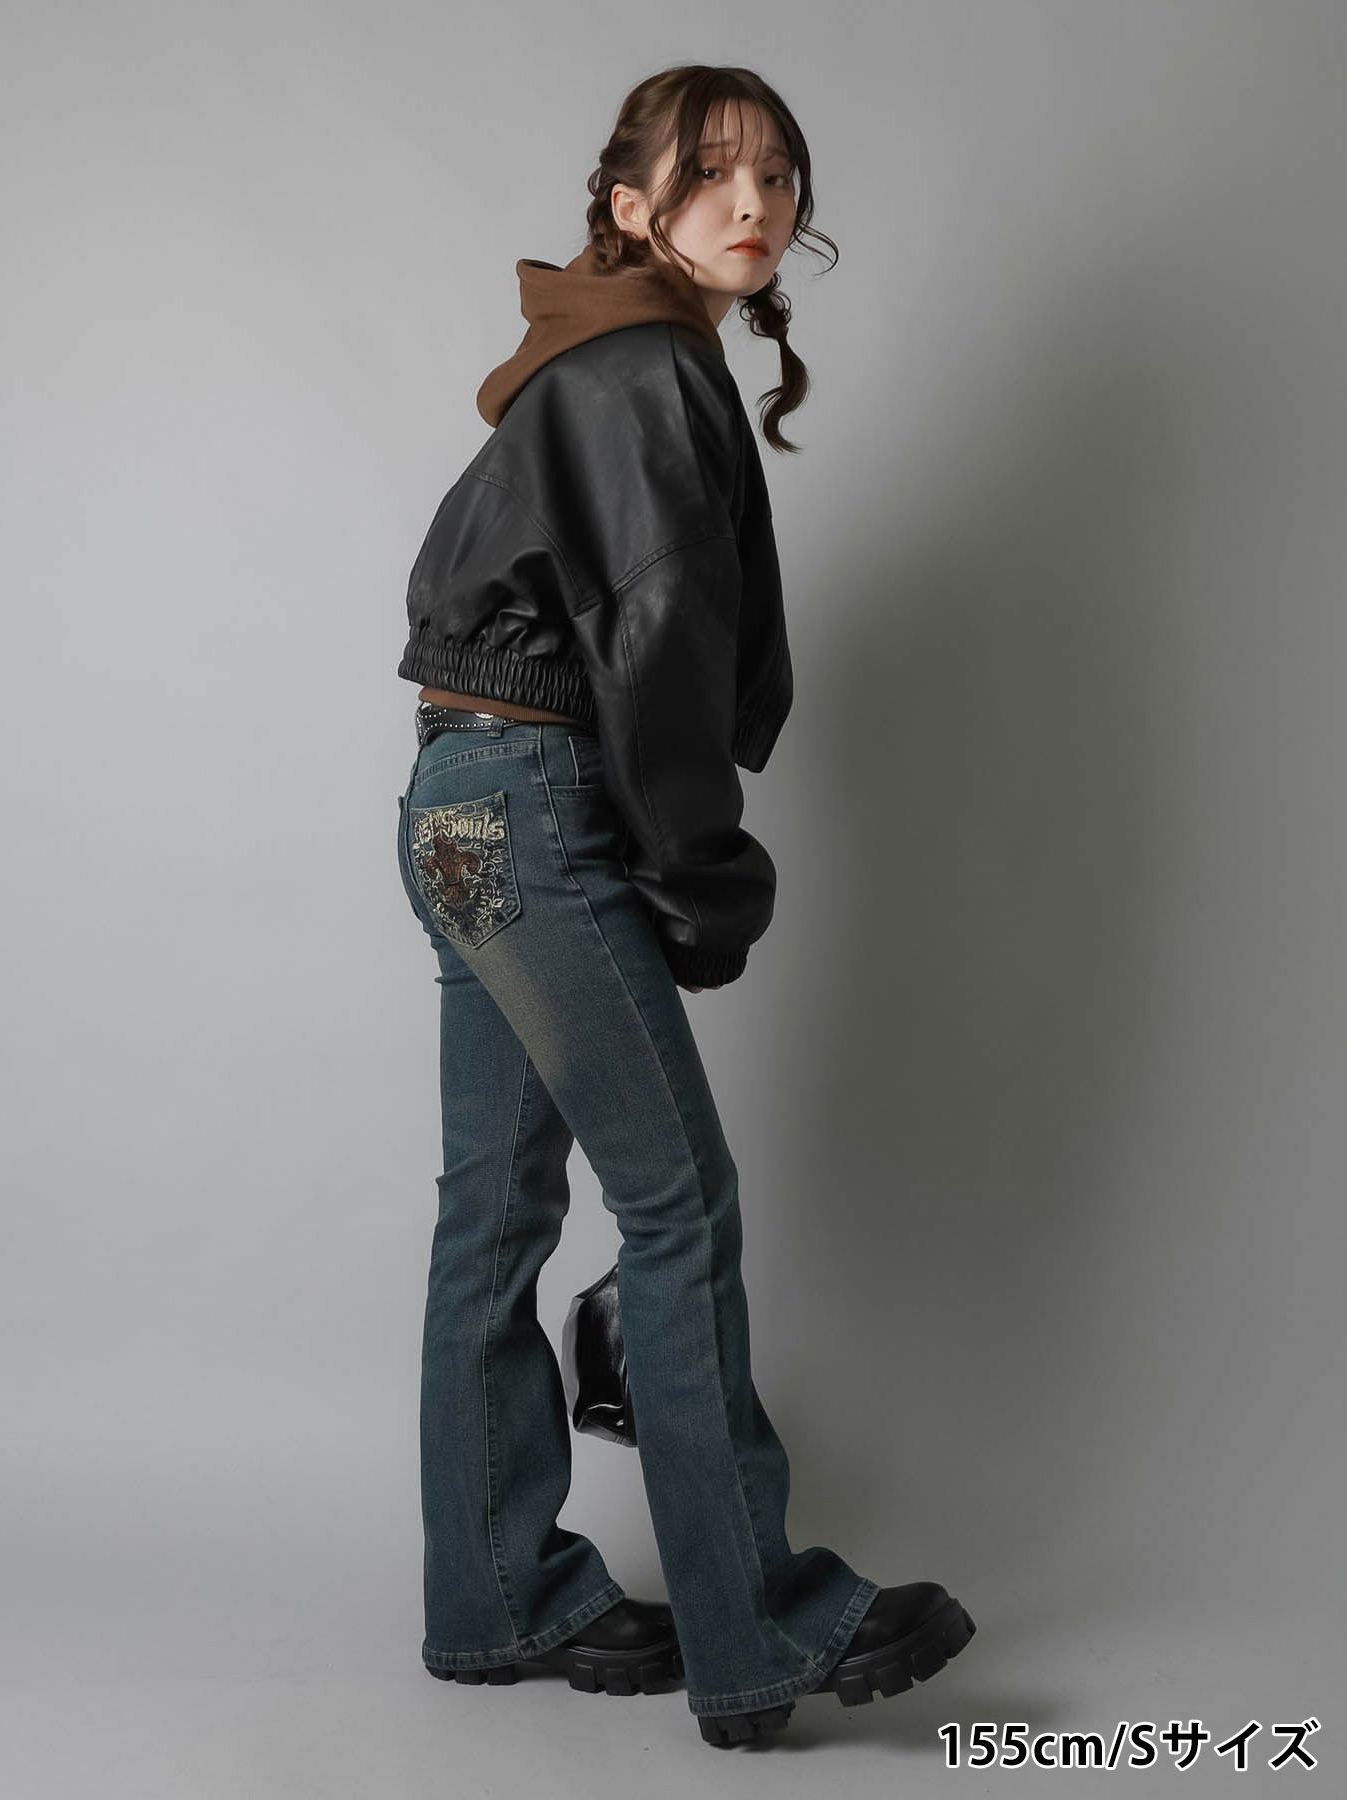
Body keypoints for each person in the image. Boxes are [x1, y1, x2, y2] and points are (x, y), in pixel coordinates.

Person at [392, 63, 975, 1748]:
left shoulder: (602, 355)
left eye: (778, 177)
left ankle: (497, 1599)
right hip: (538, 805)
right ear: (630, 205)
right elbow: (653, 662)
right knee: (677, 1207)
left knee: (494, 1215)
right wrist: (704, 887)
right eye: (712, 174)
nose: (754, 204)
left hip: (455, 806)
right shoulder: (646, 368)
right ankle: (758, 1624)